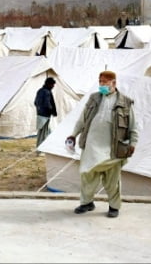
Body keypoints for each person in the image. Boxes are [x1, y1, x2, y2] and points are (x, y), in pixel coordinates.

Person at [66, 71, 138, 218]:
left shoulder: (125, 102)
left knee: (112, 179)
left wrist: (133, 143)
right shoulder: (93, 98)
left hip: (112, 148)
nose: (102, 85)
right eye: (100, 82)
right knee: (87, 175)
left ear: (114, 83)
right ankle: (87, 203)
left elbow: (133, 126)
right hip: (91, 145)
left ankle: (113, 206)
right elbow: (82, 119)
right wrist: (73, 134)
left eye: (105, 82)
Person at [34, 77, 57, 150]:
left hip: (40, 114)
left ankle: (39, 148)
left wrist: (39, 109)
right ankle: (41, 149)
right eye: (52, 85)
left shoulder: (40, 91)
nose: (53, 86)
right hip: (45, 115)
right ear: (49, 84)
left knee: (40, 133)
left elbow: (35, 102)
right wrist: (52, 111)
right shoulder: (47, 92)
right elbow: (47, 104)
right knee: (44, 133)